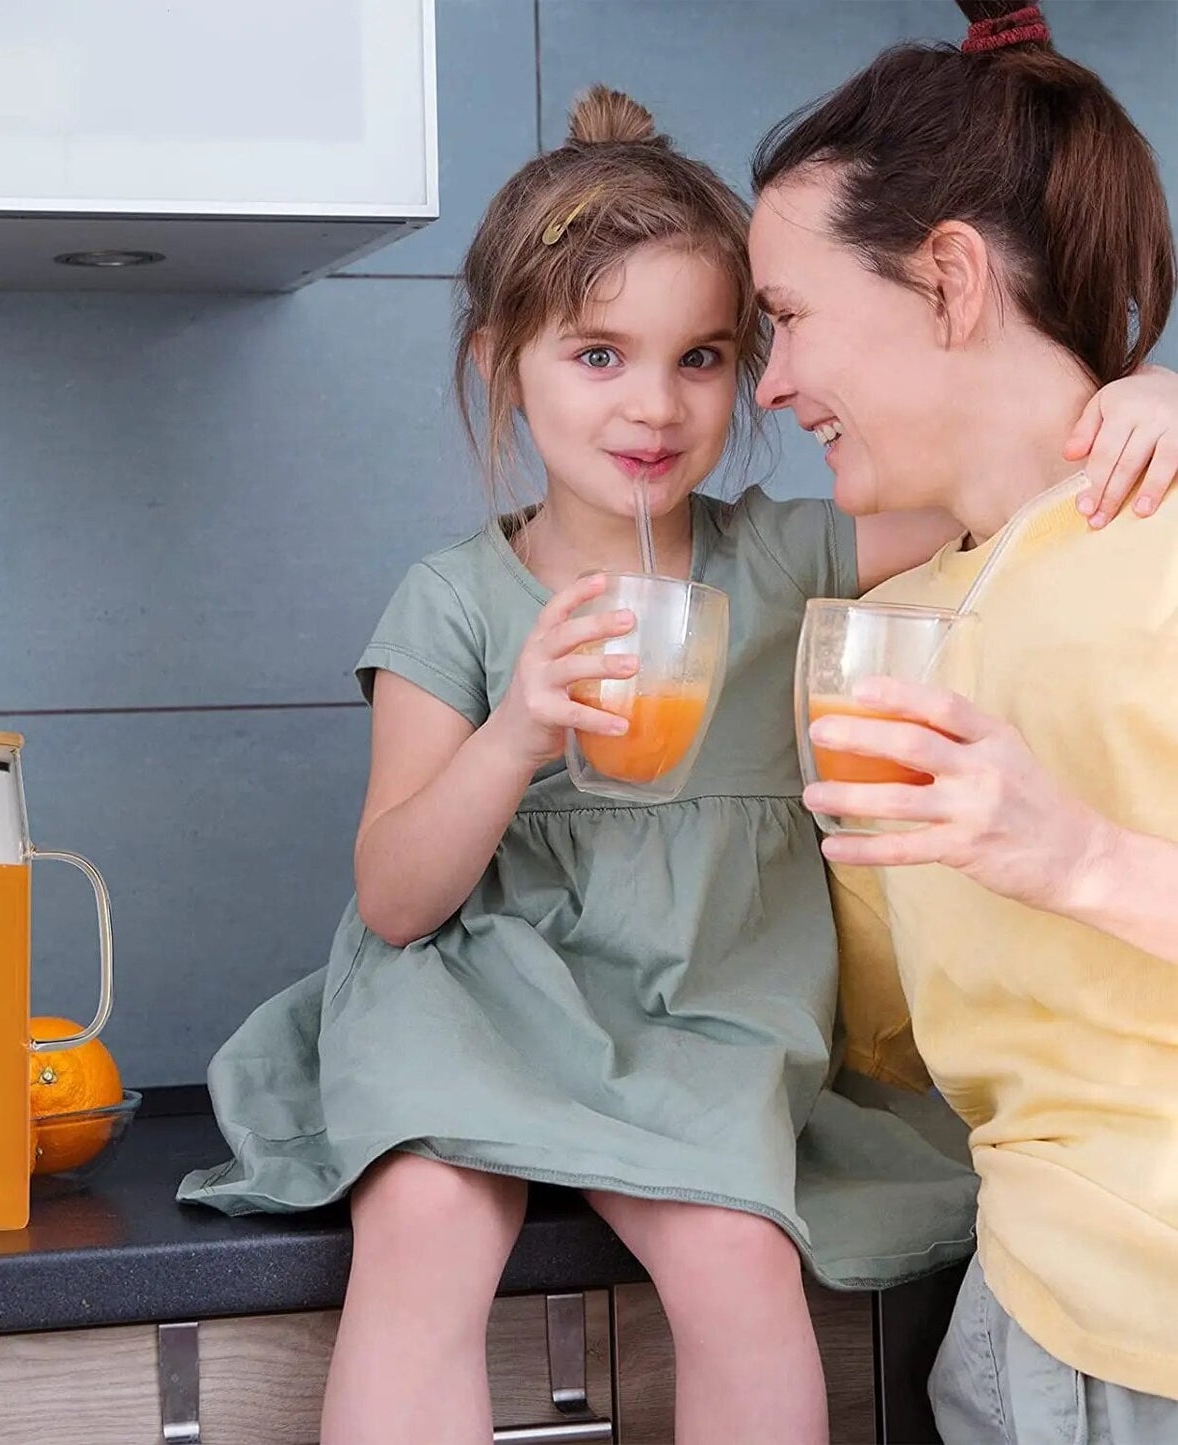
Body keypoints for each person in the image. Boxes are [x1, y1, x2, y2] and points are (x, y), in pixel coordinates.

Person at [180, 80, 1178, 1445]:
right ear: (500, 366)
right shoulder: (458, 600)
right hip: (486, 1002)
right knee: (418, 1220)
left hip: (702, 1015)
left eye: (711, 352)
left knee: (737, 1259)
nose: (661, 402)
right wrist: (518, 729)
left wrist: (1151, 395)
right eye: (598, 355)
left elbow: (1026, 470)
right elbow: (399, 895)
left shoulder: (788, 554)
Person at [749, 2, 1178, 1439]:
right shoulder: (910, 620)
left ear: (944, 280)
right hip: (1027, 1317)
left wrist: (1079, 860)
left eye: (789, 317)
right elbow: (888, 1032)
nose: (770, 384)